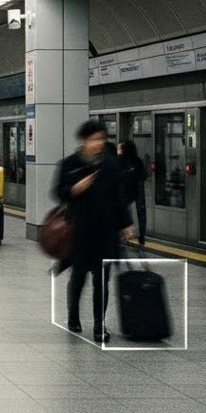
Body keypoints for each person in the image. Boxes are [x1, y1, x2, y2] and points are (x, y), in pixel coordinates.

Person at [53, 120, 136, 343]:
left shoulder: (110, 165)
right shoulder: (70, 164)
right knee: (78, 278)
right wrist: (74, 189)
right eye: (94, 139)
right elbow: (58, 192)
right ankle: (73, 316)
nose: (98, 144)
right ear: (84, 140)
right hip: (79, 233)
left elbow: (119, 197)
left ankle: (100, 325)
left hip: (105, 233)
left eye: (101, 139)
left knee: (102, 281)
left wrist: (126, 224)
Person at [117, 141, 148, 248]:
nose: (118, 150)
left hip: (124, 195)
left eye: (119, 148)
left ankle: (122, 237)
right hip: (137, 194)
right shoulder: (137, 160)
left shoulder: (119, 161)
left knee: (123, 215)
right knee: (140, 216)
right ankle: (141, 237)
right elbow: (144, 175)